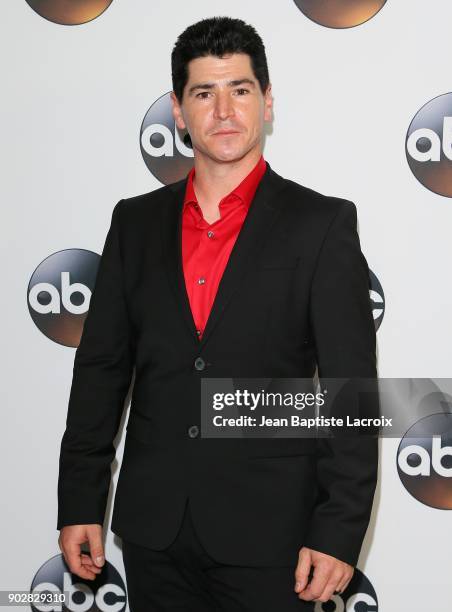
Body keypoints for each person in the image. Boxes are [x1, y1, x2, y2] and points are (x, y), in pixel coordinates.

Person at [57, 16, 378, 611]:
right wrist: (80, 500)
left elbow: (348, 390)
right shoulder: (134, 223)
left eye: (240, 90)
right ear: (179, 111)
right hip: (155, 531)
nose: (224, 110)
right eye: (204, 93)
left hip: (273, 534)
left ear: (267, 102)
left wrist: (338, 530)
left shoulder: (322, 224)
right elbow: (101, 370)